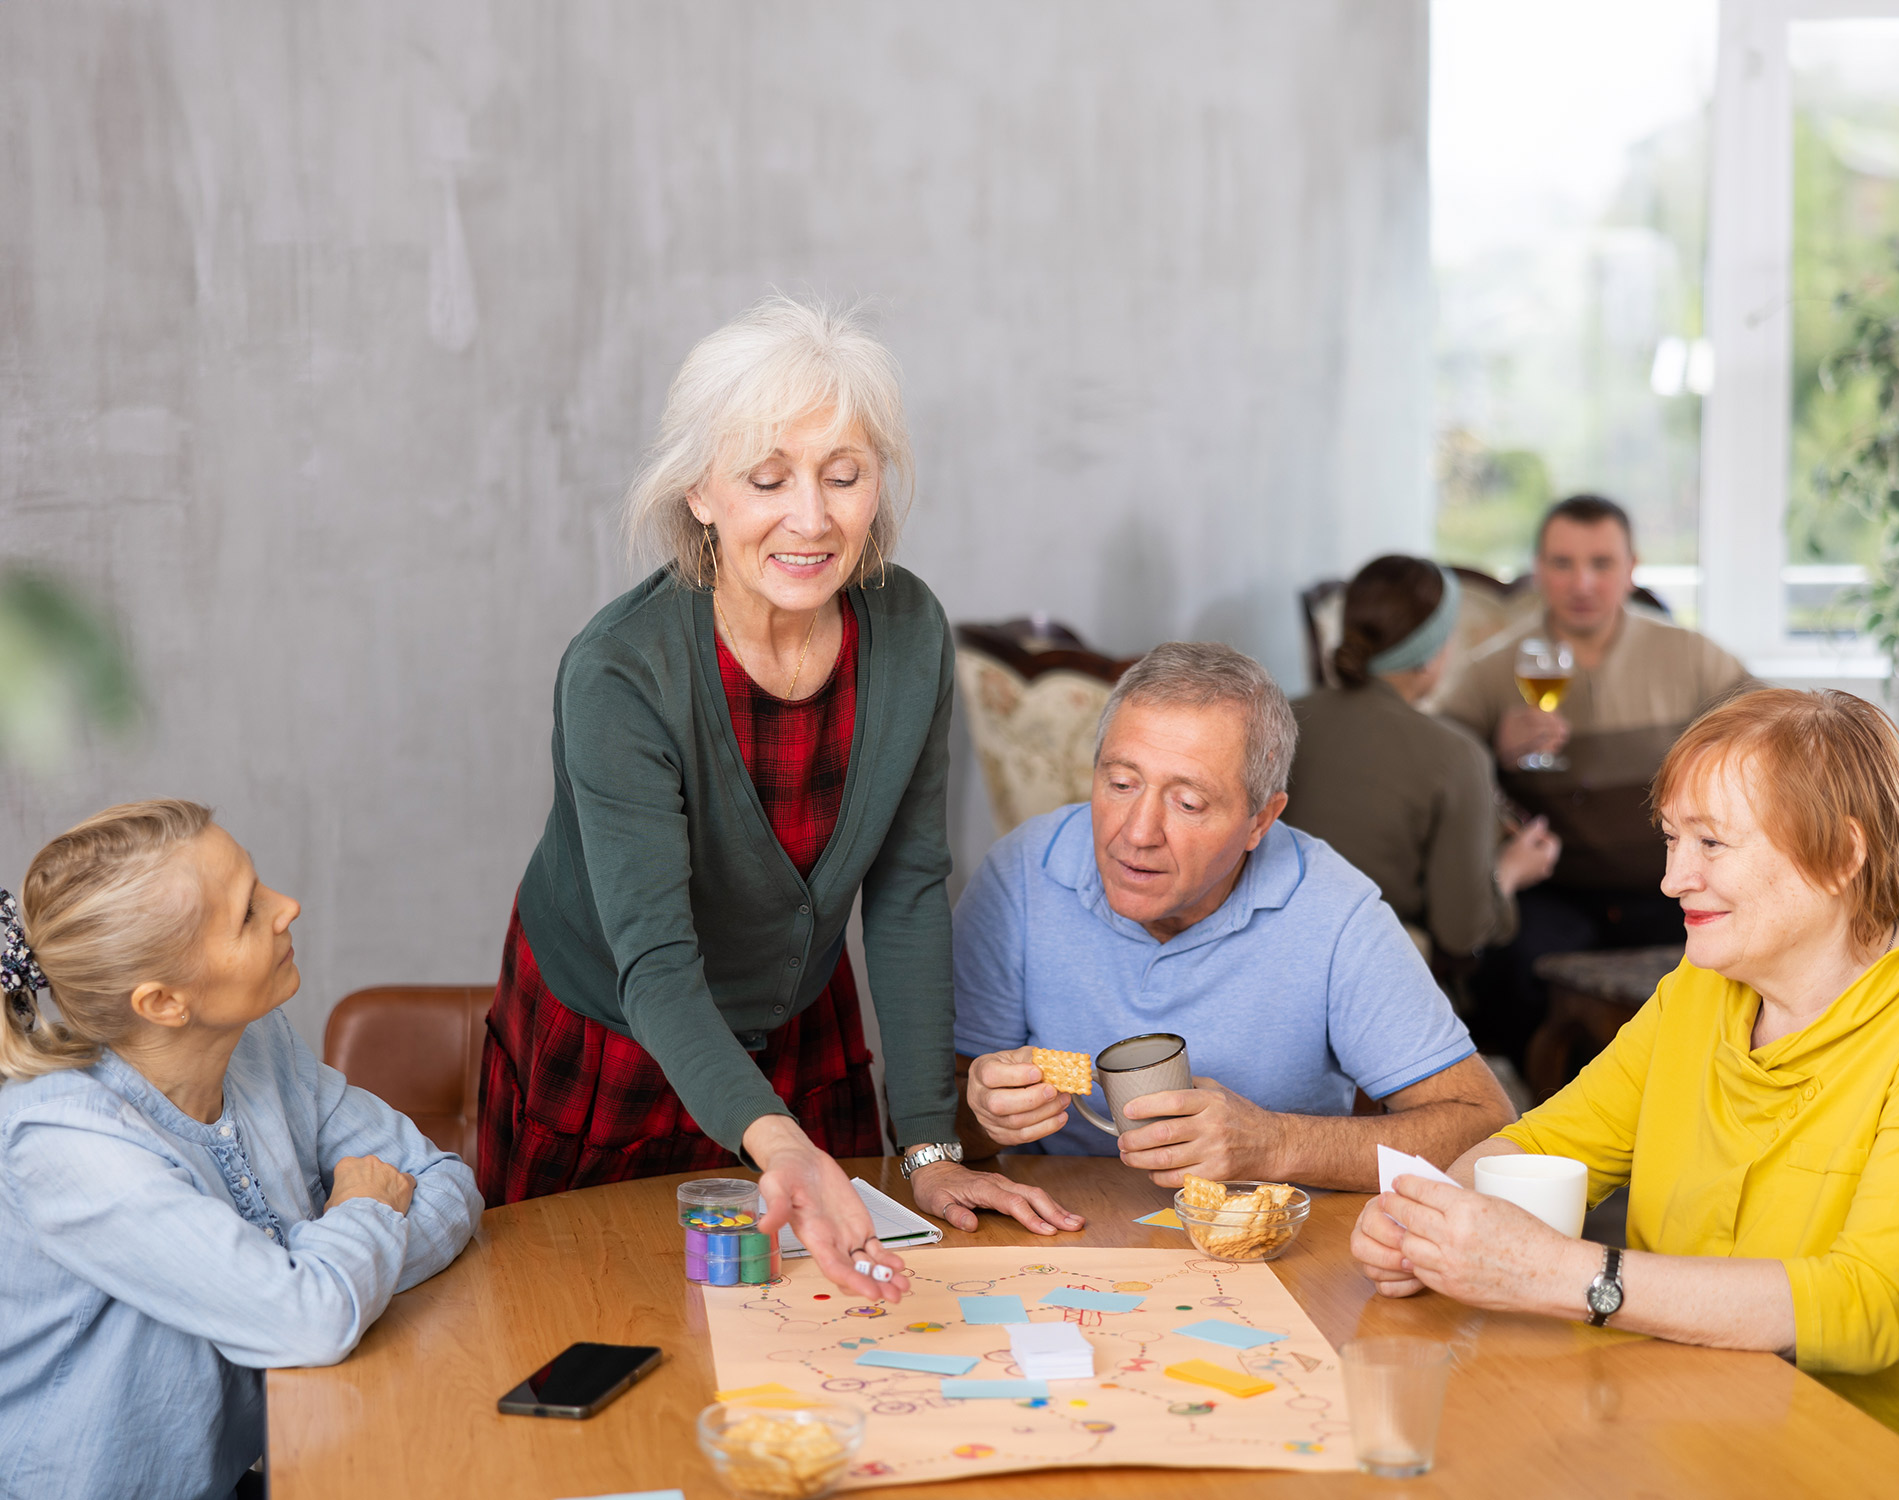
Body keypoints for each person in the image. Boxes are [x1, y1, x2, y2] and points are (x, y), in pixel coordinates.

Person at [479, 296, 1075, 1306]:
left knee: (819, 1334)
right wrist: (780, 1147)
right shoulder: (620, 674)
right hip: (619, 1033)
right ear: (700, 493)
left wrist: (927, 1143)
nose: (812, 518)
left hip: (799, 1026)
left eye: (844, 476)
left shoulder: (910, 628)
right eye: (768, 479)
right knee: (596, 1314)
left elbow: (906, 888)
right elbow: (657, 963)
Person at [1352, 689, 1899, 1488]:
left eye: (1712, 843)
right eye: (1671, 839)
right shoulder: (1703, 985)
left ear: (1841, 853)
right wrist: (1427, 1212)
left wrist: (1565, 1274)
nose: (1671, 879)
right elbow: (1546, 1142)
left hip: (1884, 1465)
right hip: (1687, 1411)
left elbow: (1873, 1307)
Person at [0, 800, 481, 1500]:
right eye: (248, 912)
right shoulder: (64, 1144)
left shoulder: (258, 1044)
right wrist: (325, 1261)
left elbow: (444, 1182)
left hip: (252, 1471)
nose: (288, 906)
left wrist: (304, 1269)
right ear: (164, 1002)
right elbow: (311, 1319)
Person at [952, 642, 1516, 1189]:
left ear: (1259, 821)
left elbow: (1484, 1127)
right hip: (1061, 1240)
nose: (1137, 833)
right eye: (1121, 783)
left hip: (1268, 1253)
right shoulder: (1022, 875)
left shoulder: (1334, 911)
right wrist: (980, 1116)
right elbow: (923, 1123)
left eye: (1188, 803)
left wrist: (1275, 1144)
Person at [1434, 494, 1752, 1068]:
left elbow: (1775, 735)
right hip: (1557, 888)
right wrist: (1490, 749)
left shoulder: (1692, 657)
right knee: (1517, 963)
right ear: (1538, 569)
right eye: (1562, 563)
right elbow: (1430, 755)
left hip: (1670, 883)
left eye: (1601, 564)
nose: (1582, 583)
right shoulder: (1491, 669)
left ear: (1632, 569)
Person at [1288, 555, 1561, 961]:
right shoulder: (1455, 754)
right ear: (1431, 652)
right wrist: (1512, 869)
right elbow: (1461, 933)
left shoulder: (1278, 718)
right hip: (1373, 986)